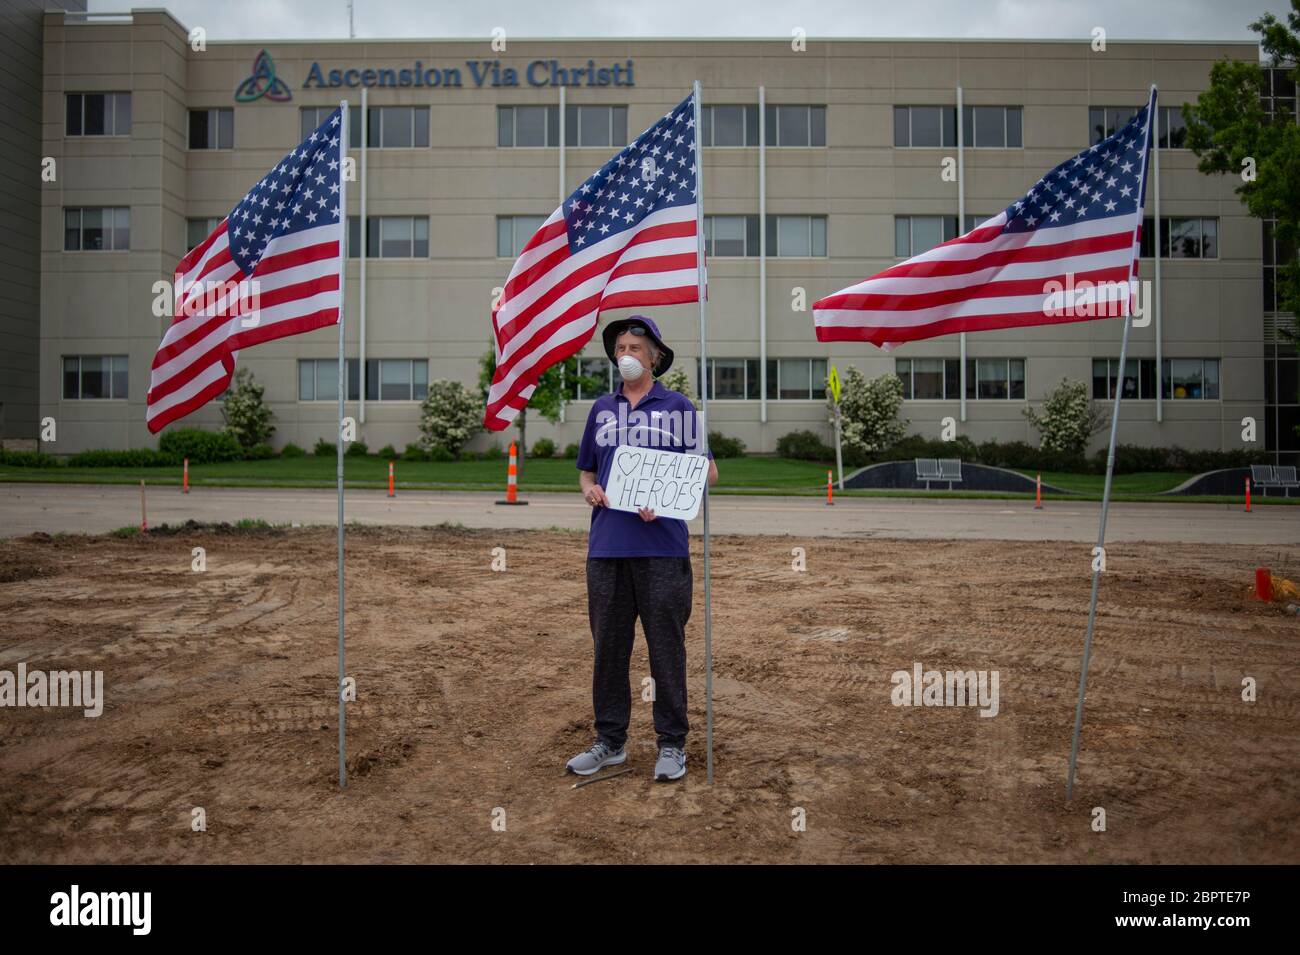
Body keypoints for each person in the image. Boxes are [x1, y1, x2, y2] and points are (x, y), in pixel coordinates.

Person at [565, 316, 718, 782]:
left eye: (635, 346)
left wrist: (667, 494)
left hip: (662, 550)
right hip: (607, 548)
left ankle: (671, 745)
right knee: (608, 648)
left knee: (665, 648)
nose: (625, 353)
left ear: (654, 356)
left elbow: (707, 474)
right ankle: (610, 741)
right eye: (619, 346)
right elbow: (587, 471)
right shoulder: (601, 409)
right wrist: (589, 490)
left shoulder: (678, 407)